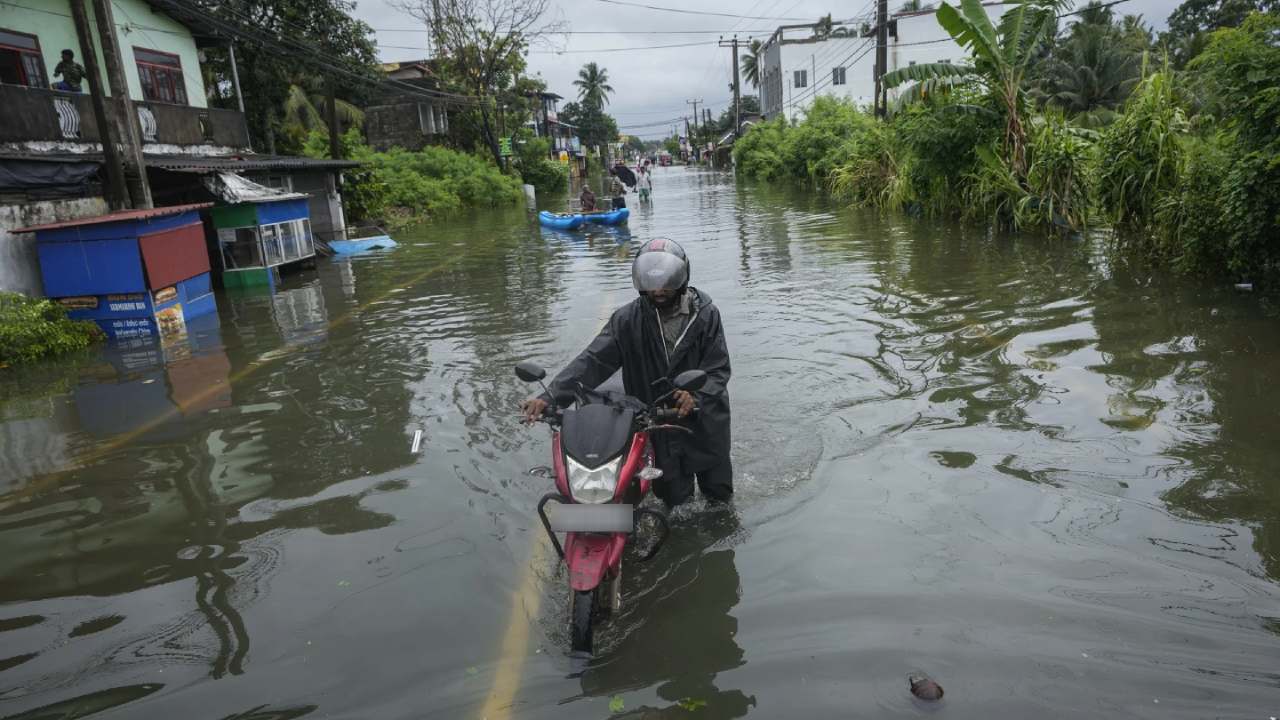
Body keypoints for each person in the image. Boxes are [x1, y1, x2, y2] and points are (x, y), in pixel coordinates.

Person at [522, 239, 732, 507]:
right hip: (657, 422)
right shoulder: (627, 320)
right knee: (675, 503)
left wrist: (696, 396)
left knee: (720, 499)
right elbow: (592, 361)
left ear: (681, 278)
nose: (658, 289)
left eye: (666, 281)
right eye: (651, 282)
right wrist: (550, 397)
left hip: (706, 423)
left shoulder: (705, 316)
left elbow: (718, 369)